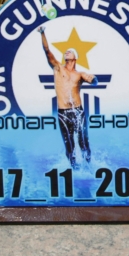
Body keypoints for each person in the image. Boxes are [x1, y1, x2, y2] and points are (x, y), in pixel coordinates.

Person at [40, 27, 95, 167]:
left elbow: (93, 80)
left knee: (84, 143)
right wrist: (42, 33)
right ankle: (74, 169)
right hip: (63, 113)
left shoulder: (79, 74)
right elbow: (47, 51)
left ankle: (89, 166)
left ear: (75, 57)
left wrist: (93, 79)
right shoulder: (58, 69)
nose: (66, 52)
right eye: (65, 52)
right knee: (69, 146)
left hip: (78, 111)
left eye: (69, 51)